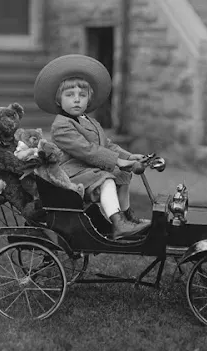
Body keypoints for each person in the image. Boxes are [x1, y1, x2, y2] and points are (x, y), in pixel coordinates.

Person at [33, 54, 150, 240]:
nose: (77, 100)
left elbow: (107, 145)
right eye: (70, 95)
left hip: (86, 169)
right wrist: (117, 161)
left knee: (123, 174)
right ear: (58, 100)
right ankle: (118, 224)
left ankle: (127, 217)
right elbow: (86, 150)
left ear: (89, 99)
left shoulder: (90, 121)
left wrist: (129, 158)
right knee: (106, 179)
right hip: (70, 173)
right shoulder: (61, 126)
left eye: (82, 95)